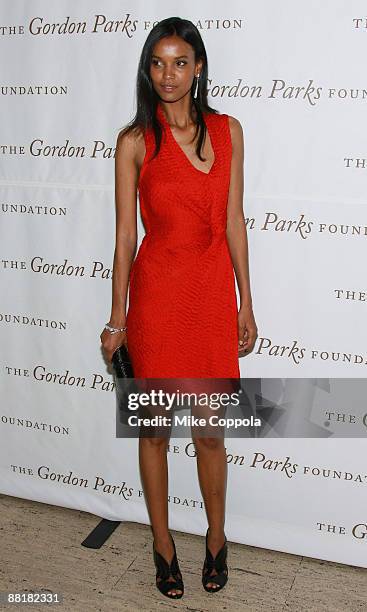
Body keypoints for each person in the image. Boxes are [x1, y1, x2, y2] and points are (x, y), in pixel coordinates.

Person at [100, 17, 257, 599]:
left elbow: (234, 222)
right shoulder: (135, 141)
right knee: (156, 432)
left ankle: (217, 539)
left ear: (198, 67)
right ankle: (162, 545)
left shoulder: (230, 130)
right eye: (158, 63)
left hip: (212, 297)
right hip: (157, 300)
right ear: (148, 69)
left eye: (180, 62)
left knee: (210, 433)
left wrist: (247, 300)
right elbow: (124, 237)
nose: (169, 75)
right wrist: (118, 318)